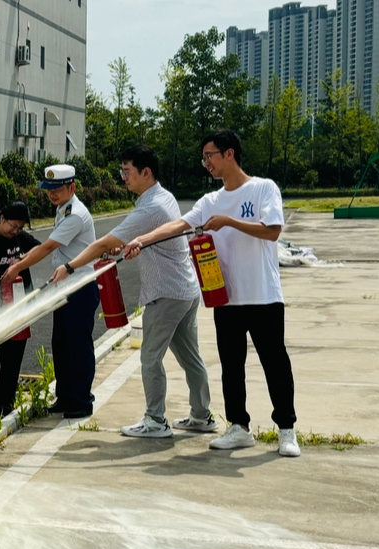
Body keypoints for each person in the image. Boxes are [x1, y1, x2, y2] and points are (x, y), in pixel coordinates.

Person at [123, 129, 300, 457]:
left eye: (210, 156)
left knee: (274, 363)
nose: (206, 163)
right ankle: (238, 427)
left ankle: (286, 430)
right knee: (232, 366)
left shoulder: (263, 189)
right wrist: (141, 240)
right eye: (204, 157)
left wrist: (229, 222)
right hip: (226, 298)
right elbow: (179, 225)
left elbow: (273, 231)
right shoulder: (210, 201)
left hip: (263, 297)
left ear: (229, 154)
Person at [46, 145, 214, 439]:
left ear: (145, 173)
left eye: (127, 172)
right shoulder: (163, 198)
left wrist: (70, 267)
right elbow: (141, 240)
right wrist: (125, 246)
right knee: (190, 358)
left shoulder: (150, 207)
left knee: (150, 357)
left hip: (165, 293)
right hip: (184, 290)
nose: (123, 177)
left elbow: (101, 245)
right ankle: (201, 416)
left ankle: (155, 420)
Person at [1, 165, 97, 419]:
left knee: (78, 345)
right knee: (62, 344)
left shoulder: (76, 214)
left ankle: (81, 401)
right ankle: (65, 396)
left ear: (72, 188)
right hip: (64, 288)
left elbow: (47, 247)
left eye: (57, 190)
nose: (51, 195)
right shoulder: (62, 209)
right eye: (49, 190)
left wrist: (17, 267)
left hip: (80, 287)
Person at [0, 201, 39, 416]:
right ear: (2, 219)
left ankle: (7, 405)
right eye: (13, 226)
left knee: (13, 357)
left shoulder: (21, 238)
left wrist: (20, 261)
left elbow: (40, 248)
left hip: (17, 305)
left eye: (20, 228)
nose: (16, 231)